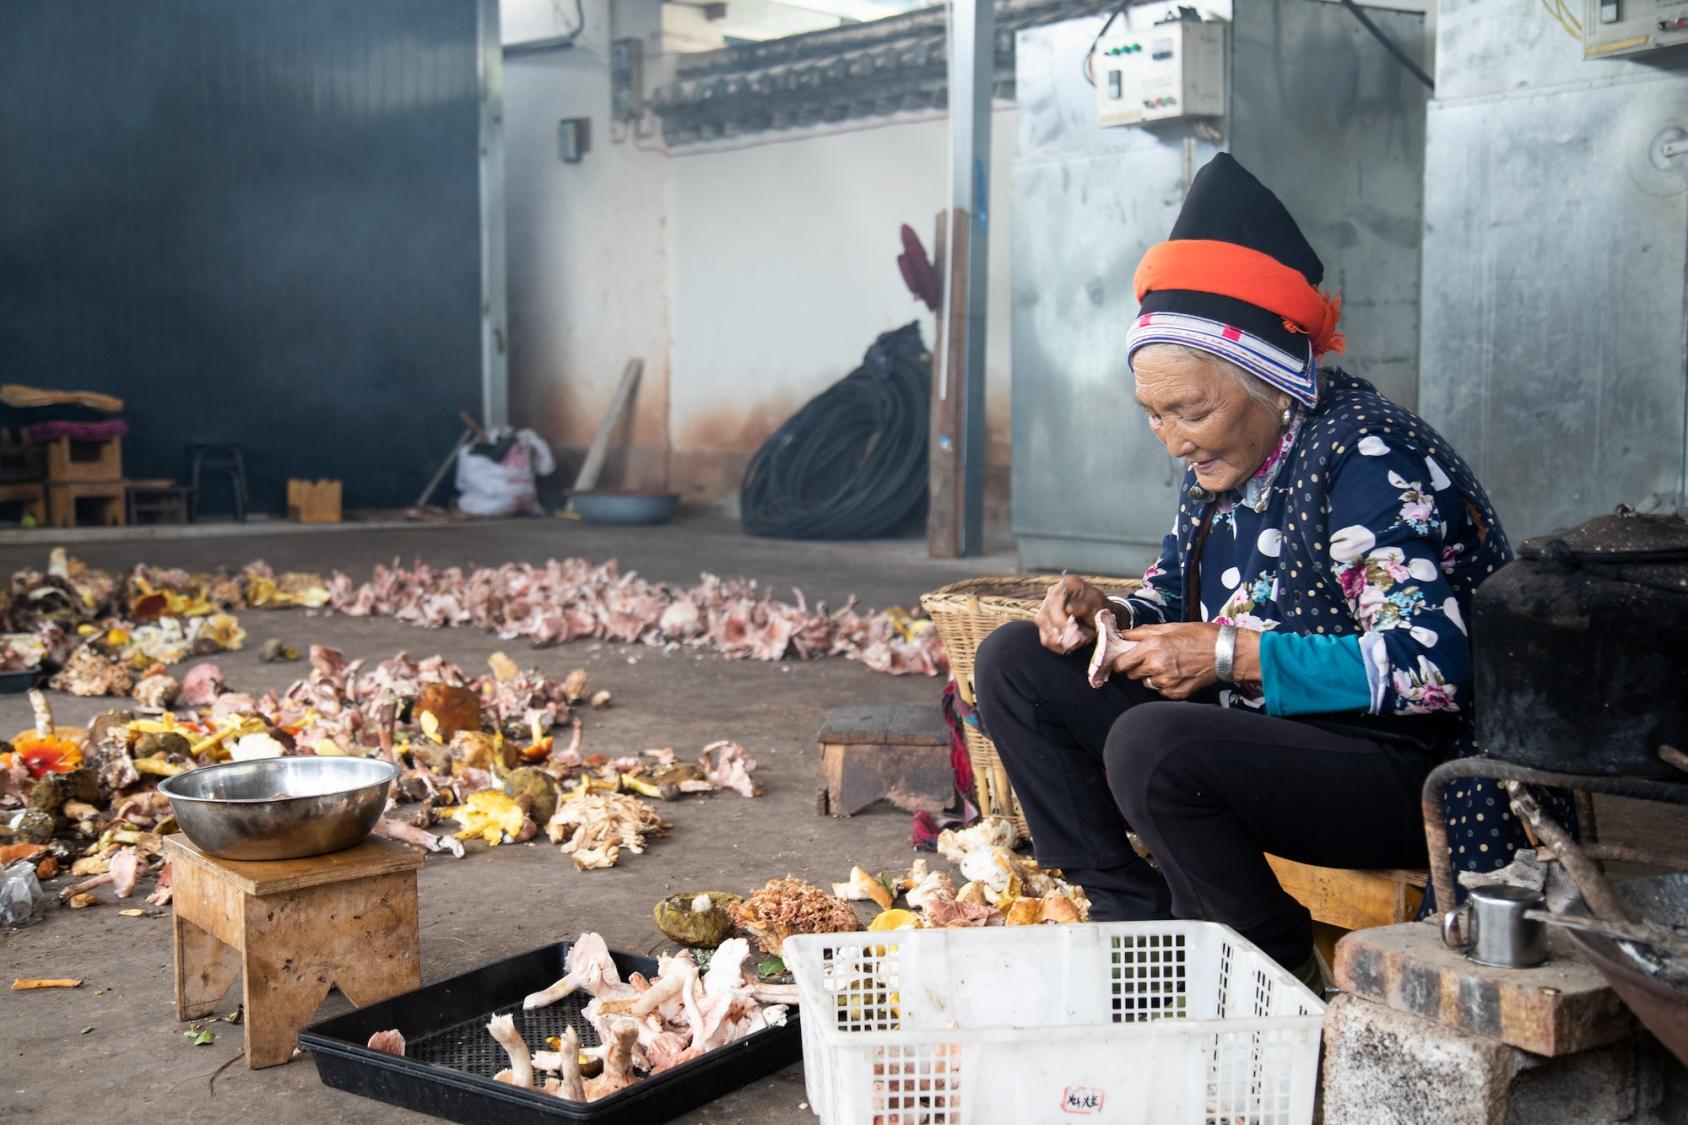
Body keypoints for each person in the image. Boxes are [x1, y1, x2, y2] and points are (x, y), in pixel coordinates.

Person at [974, 153, 1552, 989]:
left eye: (1192, 410)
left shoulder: (1367, 459)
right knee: (1015, 663)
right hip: (1276, 744)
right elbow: (1174, 592)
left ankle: (1276, 970)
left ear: (1274, 381)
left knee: (1153, 745)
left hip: (1407, 769)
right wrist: (1110, 615)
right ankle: (1130, 919)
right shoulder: (1221, 462)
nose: (1173, 439)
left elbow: (1432, 667)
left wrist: (1228, 656)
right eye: (1154, 415)